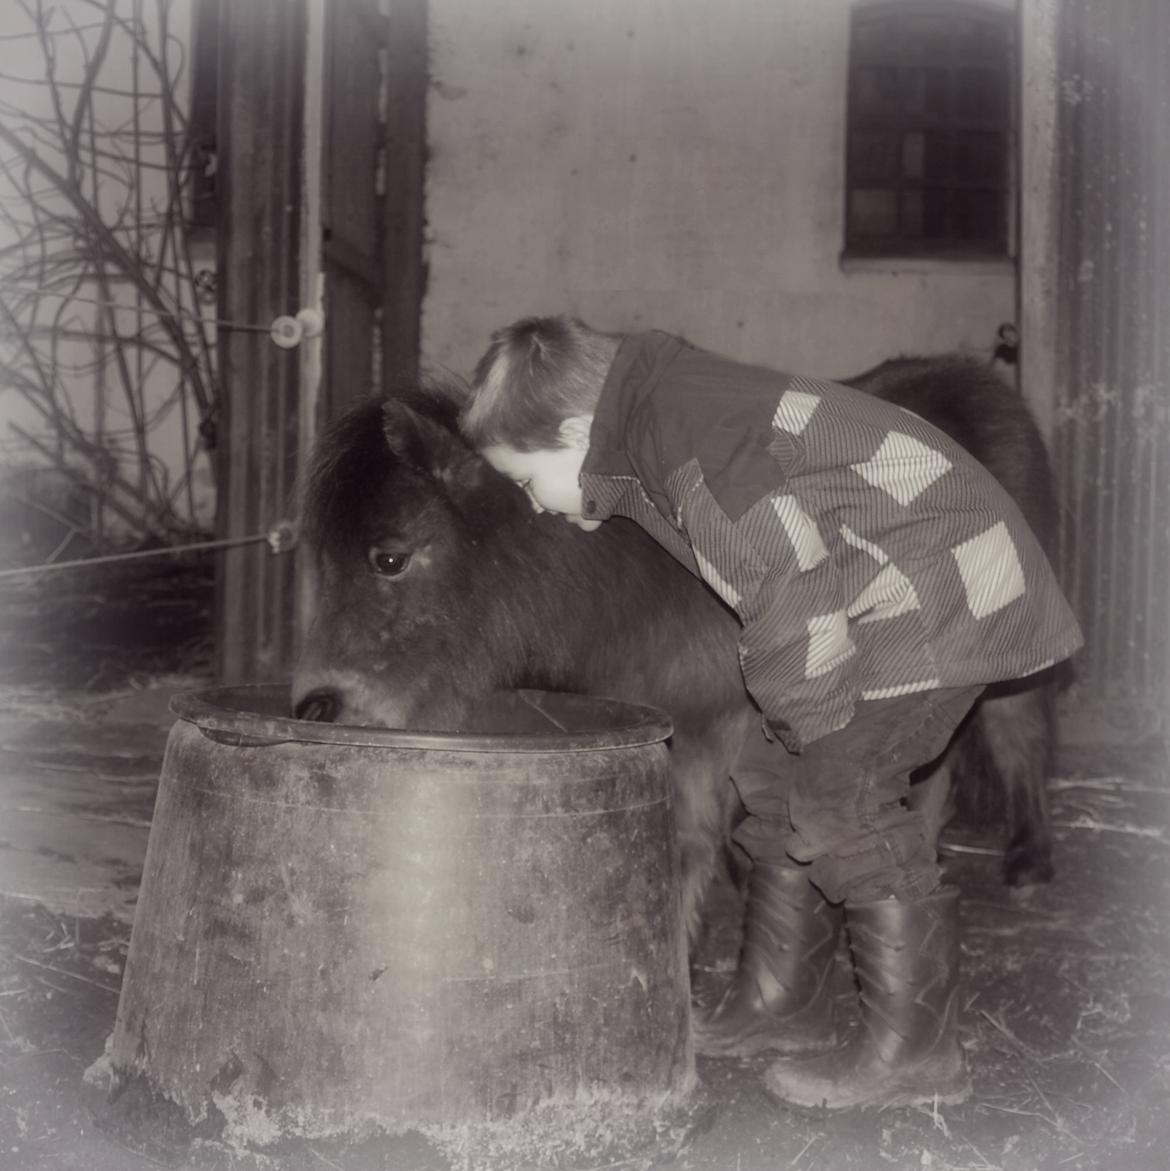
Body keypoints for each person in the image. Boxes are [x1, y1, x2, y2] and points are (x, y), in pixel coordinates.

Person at [460, 316, 1082, 1111]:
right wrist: (595, 494)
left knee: (839, 792)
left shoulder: (700, 448)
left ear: (580, 430)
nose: (534, 506)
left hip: (941, 587)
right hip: (877, 580)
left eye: (525, 482)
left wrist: (813, 722)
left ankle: (917, 1053)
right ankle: (784, 1003)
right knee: (765, 769)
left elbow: (782, 589)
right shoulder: (651, 415)